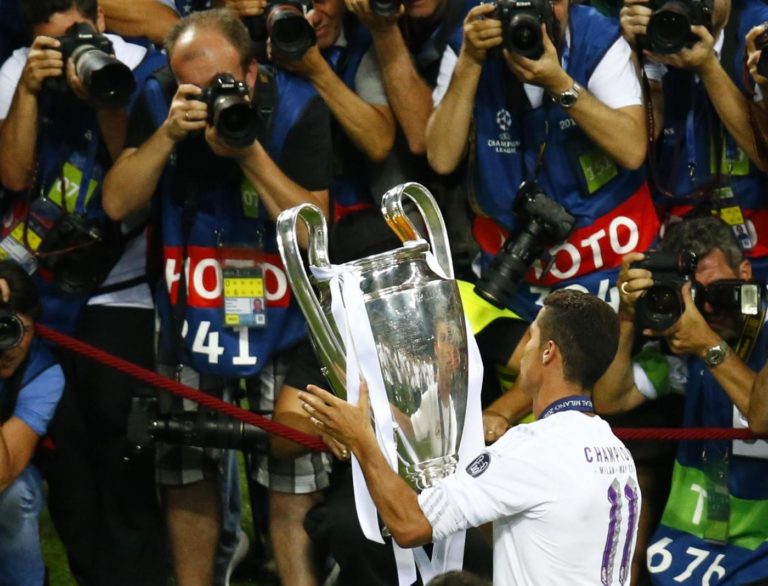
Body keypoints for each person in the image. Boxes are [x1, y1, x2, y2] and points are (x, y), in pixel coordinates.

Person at [102, 8, 332, 586]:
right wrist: (167, 135)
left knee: (292, 473)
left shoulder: (300, 104)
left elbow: (313, 231)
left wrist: (248, 151)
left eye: (223, 85)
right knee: (186, 469)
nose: (210, 99)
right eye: (193, 88)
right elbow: (116, 203)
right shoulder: (157, 100)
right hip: (192, 308)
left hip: (286, 315)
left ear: (253, 71)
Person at [300, 289, 640, 585]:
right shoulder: (615, 450)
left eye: (532, 338)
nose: (524, 351)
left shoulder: (532, 450)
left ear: (548, 352)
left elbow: (410, 526)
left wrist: (360, 439)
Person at [0, 1, 168, 583]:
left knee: (125, 452)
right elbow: (13, 175)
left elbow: (128, 187)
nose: (75, 48)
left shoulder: (142, 67)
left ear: (100, 15)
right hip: (46, 294)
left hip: (122, 288)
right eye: (57, 41)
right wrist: (26, 91)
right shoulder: (19, 70)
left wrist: (106, 97)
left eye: (81, 32)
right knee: (67, 461)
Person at [427, 0, 654, 322]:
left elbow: (632, 149)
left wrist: (560, 83)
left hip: (607, 264)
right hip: (511, 272)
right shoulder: (470, 41)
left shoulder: (598, 37)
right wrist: (470, 61)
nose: (538, 13)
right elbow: (441, 158)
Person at [594, 215, 768, 584]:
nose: (707, 311)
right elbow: (611, 398)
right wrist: (627, 314)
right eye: (697, 296)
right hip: (684, 544)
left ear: (747, 272)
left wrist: (707, 344)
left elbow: (764, 417)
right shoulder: (685, 350)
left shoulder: (710, 339)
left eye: (719, 290)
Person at [619, 0, 768, 279]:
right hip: (675, 246)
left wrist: (707, 65)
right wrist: (637, 56)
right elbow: (637, 145)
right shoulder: (655, 32)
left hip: (759, 250)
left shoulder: (758, 35)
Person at [0, 260, 64, 586]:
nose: (7, 347)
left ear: (36, 324)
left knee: (14, 494)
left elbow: (0, 476)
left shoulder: (44, 373)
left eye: (15, 330)